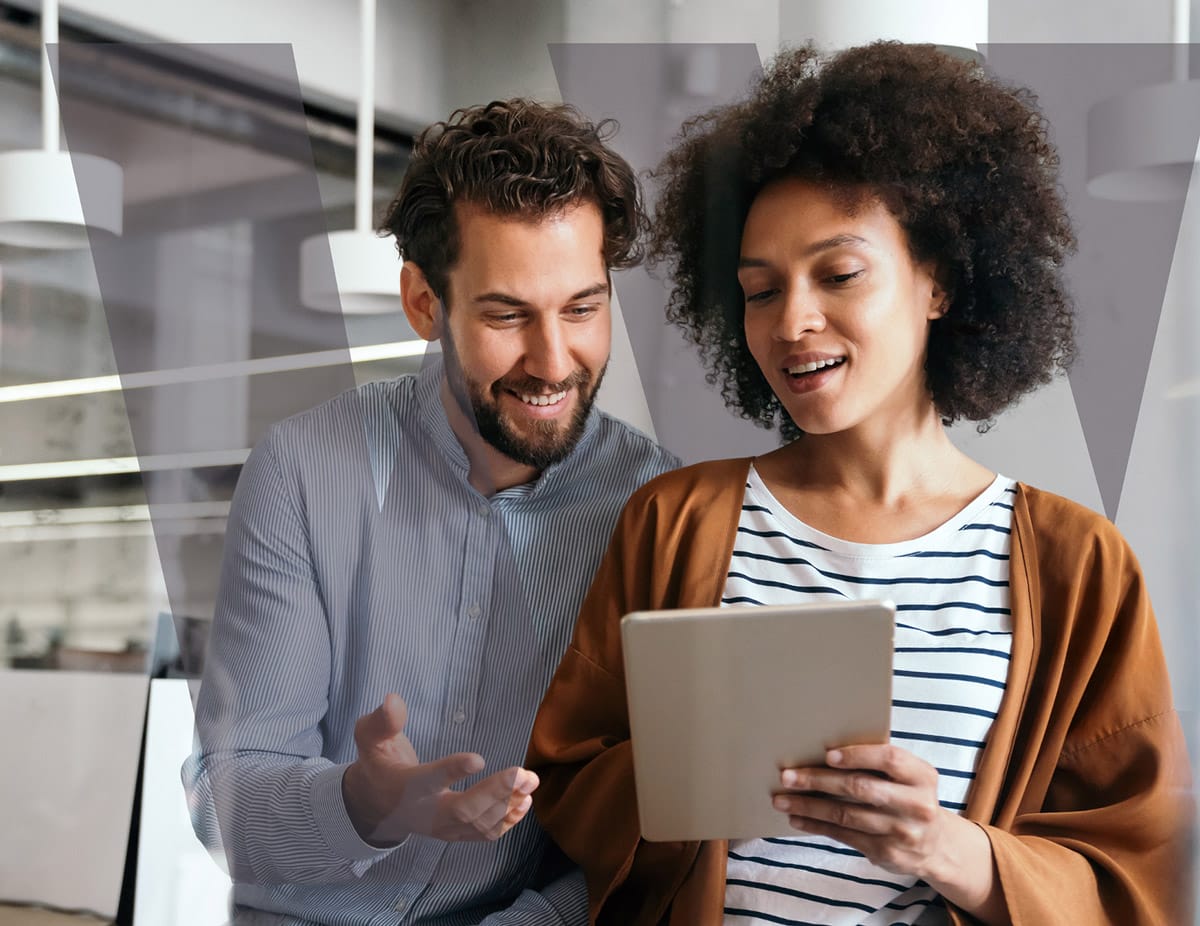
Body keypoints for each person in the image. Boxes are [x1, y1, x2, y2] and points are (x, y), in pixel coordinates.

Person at [528, 43, 1193, 925]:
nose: (792, 322)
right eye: (759, 292)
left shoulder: (1081, 568)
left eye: (838, 275)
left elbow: (1137, 874)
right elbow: (569, 776)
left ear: (939, 282)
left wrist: (947, 849)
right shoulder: (676, 520)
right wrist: (695, 765)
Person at [183, 98, 678, 926]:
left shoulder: (655, 507)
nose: (554, 361)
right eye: (506, 314)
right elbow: (225, 795)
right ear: (423, 303)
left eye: (582, 309)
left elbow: (643, 827)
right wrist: (364, 805)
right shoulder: (304, 469)